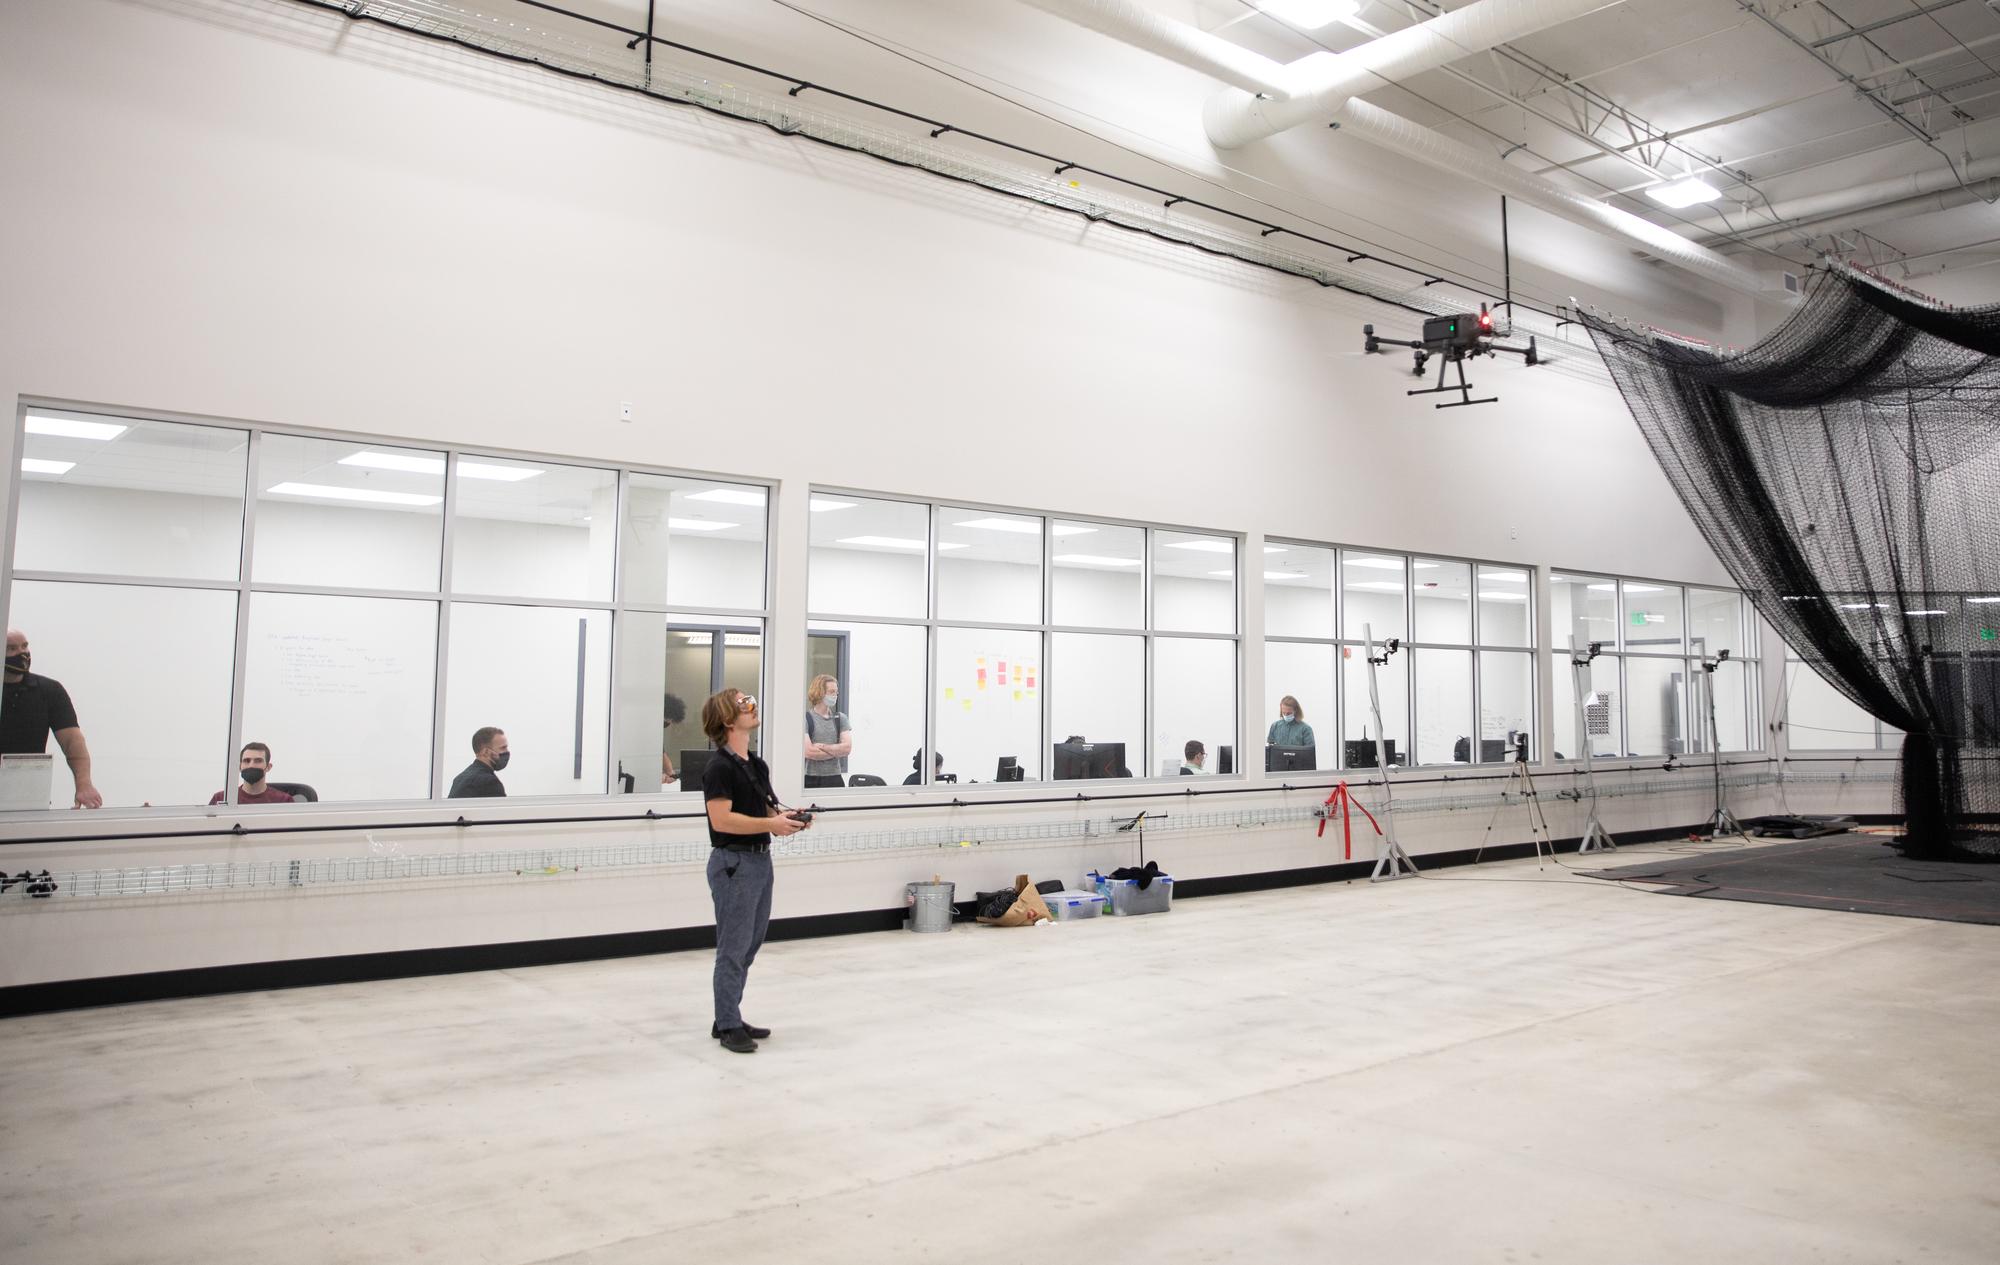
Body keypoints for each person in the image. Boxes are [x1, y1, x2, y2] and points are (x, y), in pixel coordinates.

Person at [702, 688, 810, 1054]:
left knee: (749, 943)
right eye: (743, 705)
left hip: (760, 860)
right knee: (732, 947)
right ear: (728, 720)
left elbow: (766, 811)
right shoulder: (719, 767)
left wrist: (786, 820)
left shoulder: (755, 765)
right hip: (733, 863)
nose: (752, 708)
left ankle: (727, 1012)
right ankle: (728, 1024)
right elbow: (722, 819)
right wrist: (771, 825)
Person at [1, 628, 101, 808]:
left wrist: (84, 784)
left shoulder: (49, 690)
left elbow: (72, 740)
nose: (22, 653)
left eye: (24, 646)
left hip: (27, 797)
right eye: (12, 649)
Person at [802, 674, 852, 790]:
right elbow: (810, 752)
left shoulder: (841, 718)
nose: (835, 695)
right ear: (819, 692)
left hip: (835, 778)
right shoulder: (806, 718)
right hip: (811, 779)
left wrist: (822, 746)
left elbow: (847, 749)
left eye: (836, 692)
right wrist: (836, 751)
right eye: (831, 692)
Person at [210, 742, 293, 805]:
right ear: (240, 767)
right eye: (247, 761)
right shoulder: (221, 799)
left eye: (258, 761)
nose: (251, 765)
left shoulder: (284, 801)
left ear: (268, 767)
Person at [449, 726, 508, 797]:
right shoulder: (489, 782)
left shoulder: (460, 778)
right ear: (486, 752)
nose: (507, 751)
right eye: (503, 748)